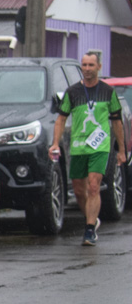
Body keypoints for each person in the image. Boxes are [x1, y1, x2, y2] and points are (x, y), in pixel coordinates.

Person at [49, 52, 126, 247]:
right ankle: (92, 218)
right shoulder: (72, 92)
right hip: (78, 147)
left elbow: (117, 121)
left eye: (91, 65)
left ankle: (89, 229)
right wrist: (55, 143)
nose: (87, 68)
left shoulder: (108, 92)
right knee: (79, 190)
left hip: (100, 145)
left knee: (94, 185)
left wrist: (122, 150)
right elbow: (61, 119)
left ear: (99, 67)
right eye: (84, 65)